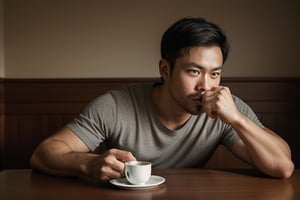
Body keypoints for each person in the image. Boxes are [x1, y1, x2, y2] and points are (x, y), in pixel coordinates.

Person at [31, 17, 294, 181]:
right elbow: (44, 154)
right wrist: (90, 164)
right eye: (194, 71)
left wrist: (236, 118)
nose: (206, 86)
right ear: (165, 70)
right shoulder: (115, 105)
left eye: (215, 74)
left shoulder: (225, 108)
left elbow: (283, 167)